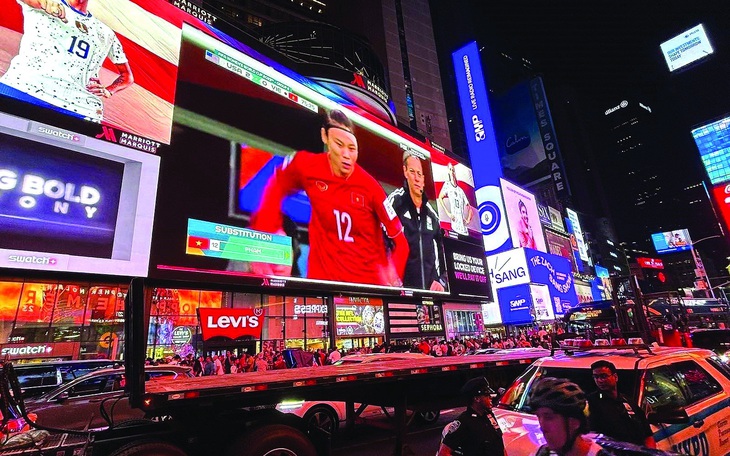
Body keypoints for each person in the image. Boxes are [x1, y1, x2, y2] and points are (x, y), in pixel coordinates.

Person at [250, 109, 409, 286]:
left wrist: (393, 277)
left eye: (351, 149)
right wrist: (265, 234)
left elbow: (401, 242)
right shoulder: (307, 165)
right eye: (339, 145)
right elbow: (277, 184)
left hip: (365, 290)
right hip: (322, 289)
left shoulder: (371, 187)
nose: (346, 155)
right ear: (324, 136)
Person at [0, 0, 133, 122]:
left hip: (80, 108)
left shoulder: (106, 33)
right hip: (23, 89)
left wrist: (109, 90)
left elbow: (127, 76)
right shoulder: (47, 3)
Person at [387, 151, 447, 291]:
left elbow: (445, 251)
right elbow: (379, 238)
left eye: (419, 174)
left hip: (430, 293)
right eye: (412, 172)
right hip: (400, 292)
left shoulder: (432, 215)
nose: (416, 178)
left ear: (424, 179)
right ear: (405, 172)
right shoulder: (395, 202)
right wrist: (391, 276)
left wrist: (442, 281)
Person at [527, 377, 611, 456]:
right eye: (538, 416)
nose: (542, 427)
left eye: (549, 417)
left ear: (574, 422)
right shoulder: (542, 453)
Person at [587, 360, 655, 448]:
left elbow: (647, 435)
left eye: (603, 376)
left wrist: (650, 453)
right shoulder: (591, 403)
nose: (599, 380)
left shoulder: (628, 401)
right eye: (596, 377)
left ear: (615, 377)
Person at [437, 377, 505, 456]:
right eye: (486, 395)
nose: (490, 397)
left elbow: (499, 445)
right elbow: (444, 452)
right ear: (476, 399)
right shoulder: (464, 422)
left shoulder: (489, 415)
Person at [437, 163, 473, 237]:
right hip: (454, 228)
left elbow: (469, 208)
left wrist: (468, 220)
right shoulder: (447, 185)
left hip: (464, 230)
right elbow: (440, 197)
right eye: (450, 170)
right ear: (448, 172)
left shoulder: (460, 191)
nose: (452, 172)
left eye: (453, 170)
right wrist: (448, 213)